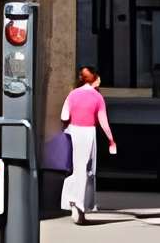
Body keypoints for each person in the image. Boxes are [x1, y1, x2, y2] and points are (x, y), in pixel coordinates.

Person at [61, 63, 115, 223]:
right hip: (88, 133)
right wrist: (111, 140)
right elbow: (103, 121)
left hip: (73, 131)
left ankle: (72, 201)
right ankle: (80, 205)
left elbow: (64, 116)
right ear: (95, 79)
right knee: (87, 170)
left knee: (75, 170)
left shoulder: (72, 95)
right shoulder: (98, 97)